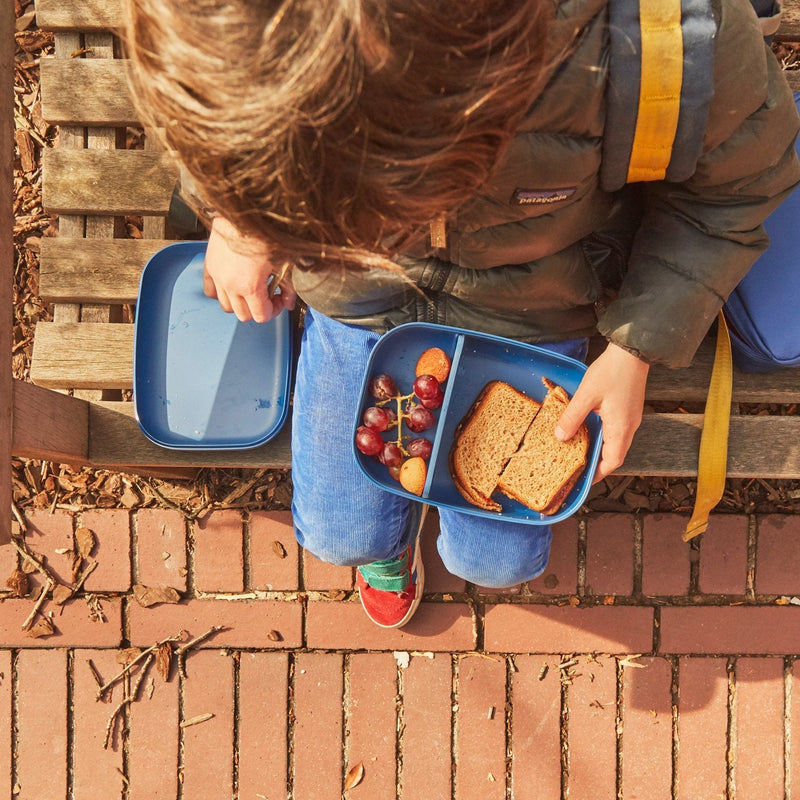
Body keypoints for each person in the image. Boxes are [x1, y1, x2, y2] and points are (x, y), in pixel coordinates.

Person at [124, 0, 800, 627]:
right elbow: (215, 120)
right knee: (341, 538)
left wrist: (636, 346)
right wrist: (240, 220)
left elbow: (732, 194)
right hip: (355, 306)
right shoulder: (236, 27)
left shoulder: (660, 36)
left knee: (495, 565)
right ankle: (388, 542)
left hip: (535, 306)